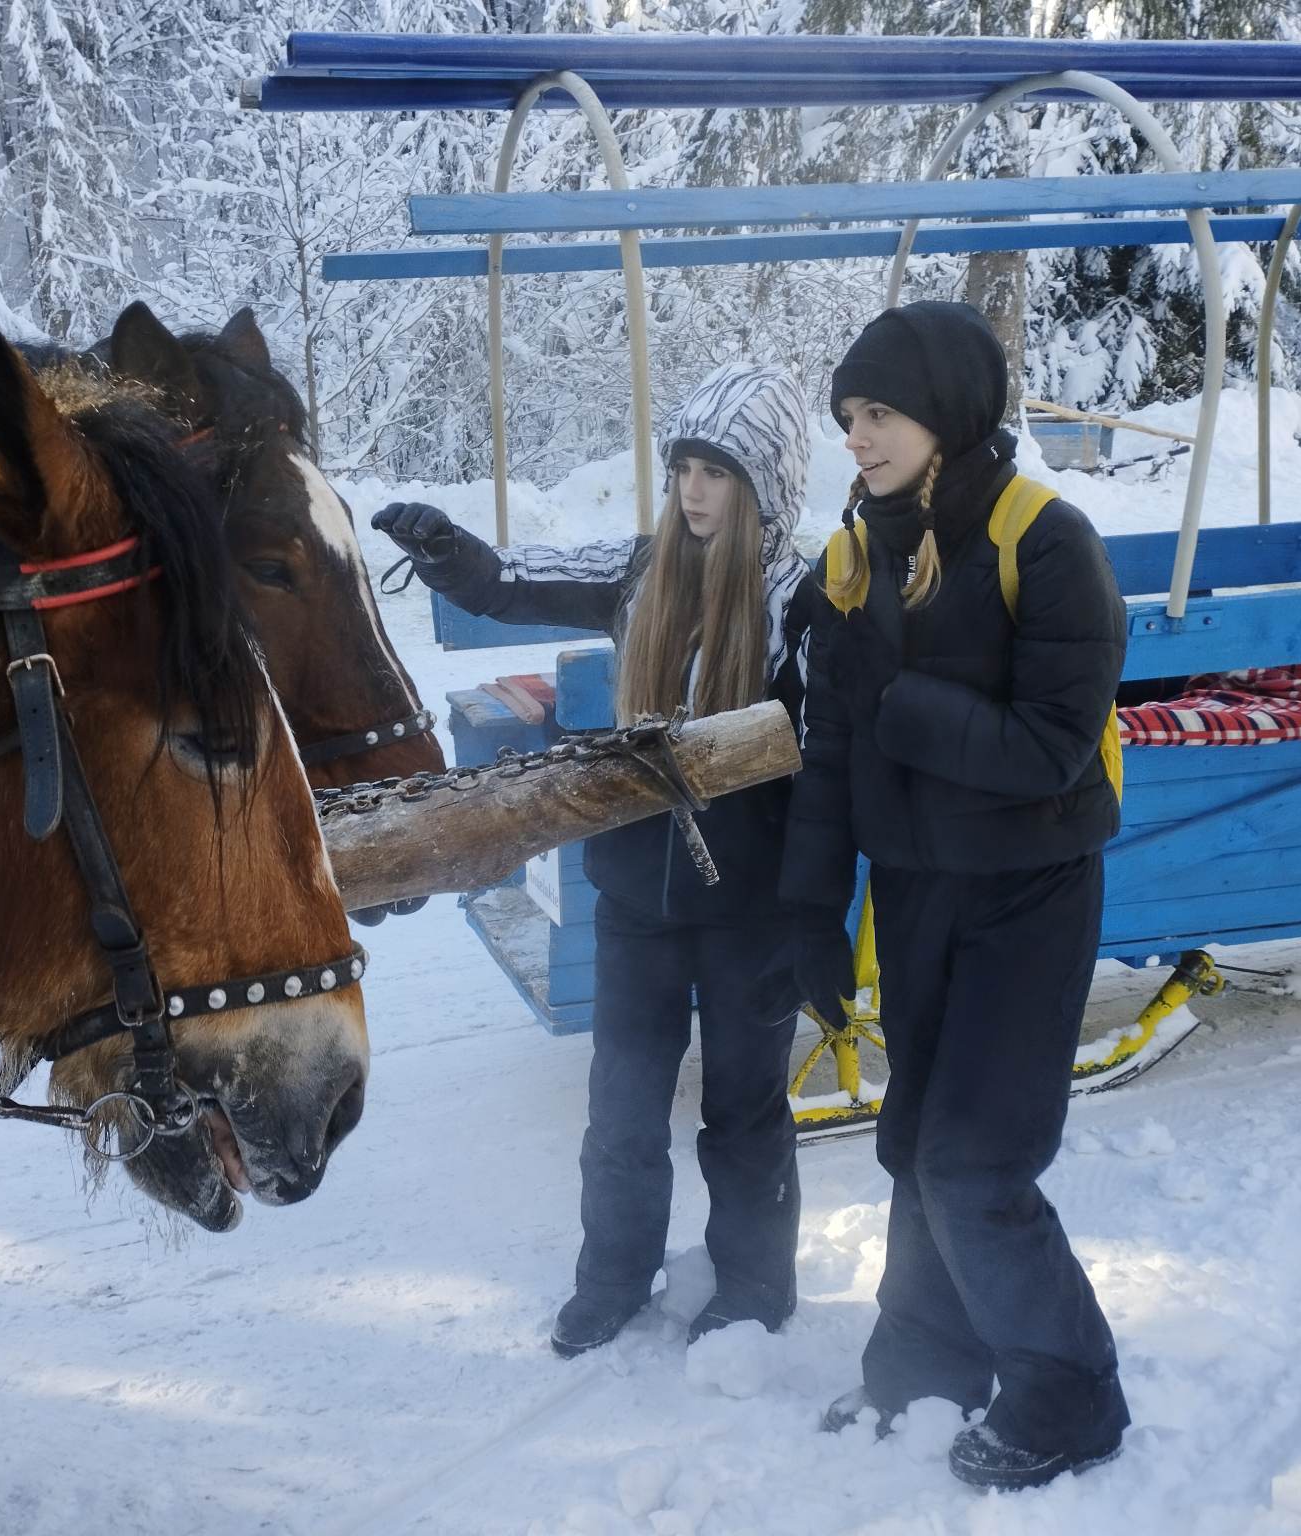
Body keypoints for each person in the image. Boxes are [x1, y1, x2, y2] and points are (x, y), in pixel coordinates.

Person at [374, 363, 813, 1357]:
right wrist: (448, 553)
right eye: (685, 469)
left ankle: (752, 1288)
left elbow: (831, 773)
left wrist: (817, 910)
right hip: (637, 900)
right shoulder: (643, 567)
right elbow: (513, 582)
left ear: (769, 482)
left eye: (719, 472)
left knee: (745, 1114)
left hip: (752, 909)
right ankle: (613, 1277)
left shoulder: (805, 600)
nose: (695, 492)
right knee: (621, 1109)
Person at [781, 300, 1130, 1490]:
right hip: (918, 891)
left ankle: (1069, 1394)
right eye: (847, 417)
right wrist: (808, 910)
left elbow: (1053, 749)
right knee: (914, 1145)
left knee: (975, 1162)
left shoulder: (1046, 541)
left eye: (879, 413)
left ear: (946, 410)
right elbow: (830, 758)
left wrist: (910, 710)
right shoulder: (852, 556)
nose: (859, 437)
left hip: (1030, 891)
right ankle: (926, 1364)